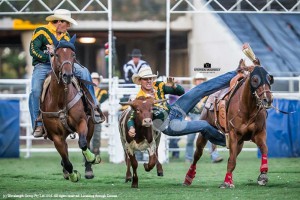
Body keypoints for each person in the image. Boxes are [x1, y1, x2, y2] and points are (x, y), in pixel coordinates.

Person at [127, 62, 248, 147]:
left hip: (175, 110)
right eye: (145, 79)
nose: (149, 81)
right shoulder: (140, 99)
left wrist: (174, 86)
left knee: (199, 89)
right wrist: (131, 127)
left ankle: (235, 73)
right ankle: (228, 142)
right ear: (140, 81)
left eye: (150, 78)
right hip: (168, 125)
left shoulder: (158, 85)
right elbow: (132, 117)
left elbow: (180, 92)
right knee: (203, 125)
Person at [29, 9, 104, 138]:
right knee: (35, 90)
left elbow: (69, 52)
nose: (68, 26)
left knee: (84, 72)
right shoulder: (41, 31)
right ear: (59, 22)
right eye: (67, 23)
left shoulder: (66, 35)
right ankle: (38, 122)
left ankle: (94, 106)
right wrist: (49, 56)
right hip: (43, 65)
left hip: (63, 64)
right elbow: (33, 50)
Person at [185, 73, 223, 163]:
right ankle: (188, 158)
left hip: (205, 117)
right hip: (193, 116)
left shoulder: (209, 93)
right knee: (190, 139)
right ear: (195, 81)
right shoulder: (191, 92)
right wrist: (186, 116)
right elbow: (186, 105)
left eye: (201, 79)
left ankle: (215, 157)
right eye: (198, 79)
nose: (200, 81)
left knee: (211, 136)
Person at [90, 72, 108, 155]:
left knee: (97, 135)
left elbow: (99, 102)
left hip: (97, 115)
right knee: (87, 135)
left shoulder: (103, 92)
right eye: (92, 79)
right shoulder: (86, 91)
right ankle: (87, 155)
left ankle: (96, 153)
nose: (94, 81)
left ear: (98, 81)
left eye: (95, 80)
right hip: (87, 116)